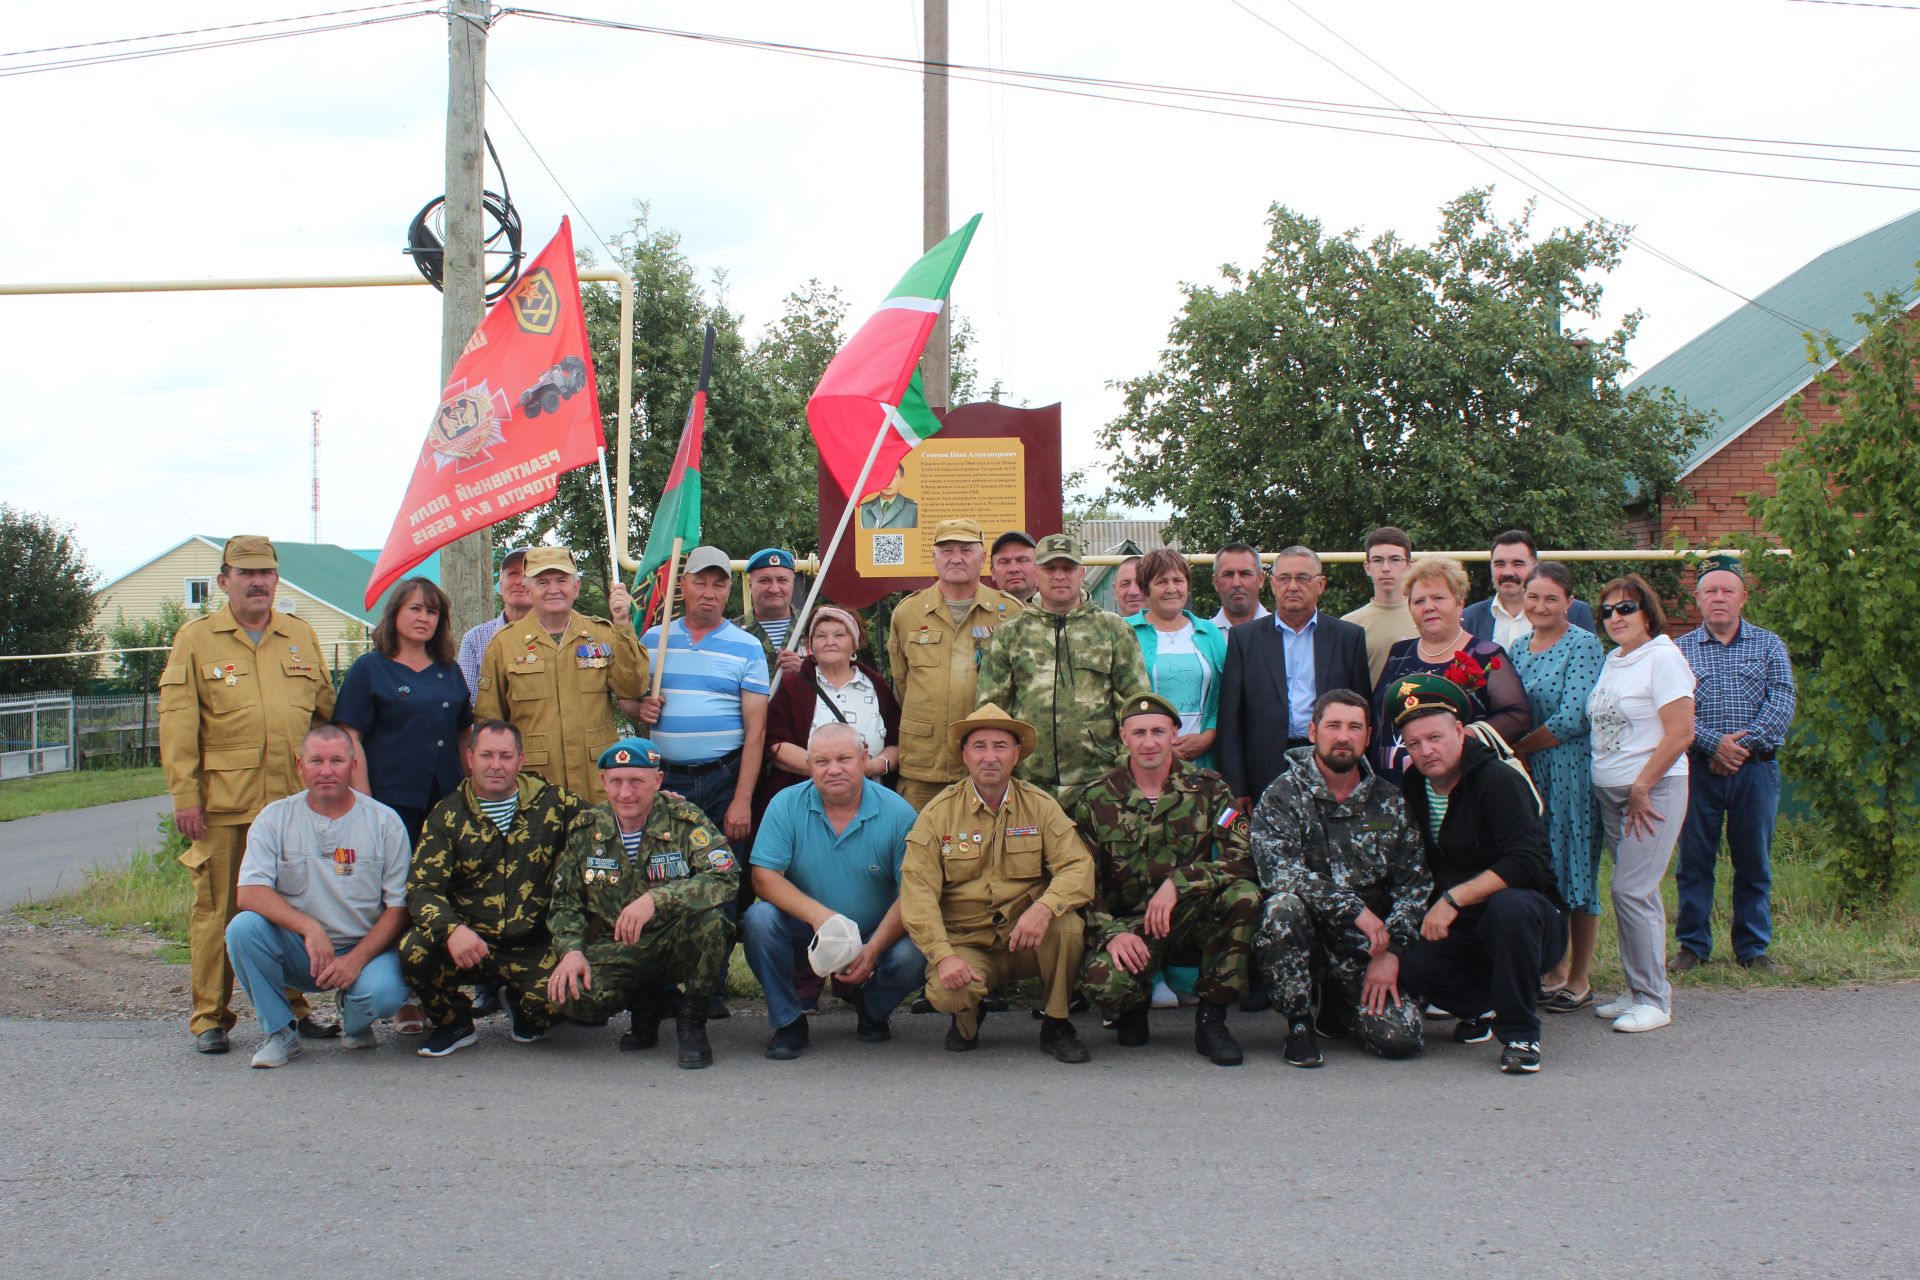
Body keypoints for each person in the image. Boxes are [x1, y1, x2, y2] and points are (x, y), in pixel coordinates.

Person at [159, 534, 335, 1054]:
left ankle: (294, 1010)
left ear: (277, 580)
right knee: (220, 912)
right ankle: (210, 1018)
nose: (258, 582)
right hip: (223, 804)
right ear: (223, 582)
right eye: (245, 573)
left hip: (290, 805)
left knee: (293, 905)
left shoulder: (300, 636)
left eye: (266, 573)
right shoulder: (196, 639)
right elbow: (177, 726)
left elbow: (326, 715)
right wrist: (185, 796)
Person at [1072, 694, 1260, 1066]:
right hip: (1131, 925)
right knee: (1102, 982)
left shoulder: (1209, 788)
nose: (1149, 742)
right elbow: (1081, 881)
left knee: (1245, 896)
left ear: (1175, 733)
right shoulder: (1096, 799)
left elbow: (1244, 857)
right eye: (1139, 732)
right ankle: (1133, 1003)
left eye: (1158, 731)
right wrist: (1113, 934)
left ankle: (1212, 1019)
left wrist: (1180, 882)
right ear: (1124, 737)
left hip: (1189, 918)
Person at [1393, 675, 1568, 1075]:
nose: (1426, 750)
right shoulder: (1413, 785)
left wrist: (1452, 899)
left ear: (1459, 730)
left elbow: (1527, 863)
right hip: (1464, 925)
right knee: (1411, 963)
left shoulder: (1498, 781)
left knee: (1510, 908)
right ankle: (1482, 1005)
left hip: (1531, 919)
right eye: (1414, 743)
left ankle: (1521, 1033)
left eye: (1435, 737)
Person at [899, 704, 1095, 1061]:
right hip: (967, 942)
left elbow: (1079, 867)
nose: (990, 757)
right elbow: (917, 894)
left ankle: (1057, 1022)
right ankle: (967, 1015)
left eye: (1001, 746)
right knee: (949, 992)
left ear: (1017, 754)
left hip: (1027, 940)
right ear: (964, 754)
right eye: (980, 746)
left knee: (1067, 927)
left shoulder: (1040, 805)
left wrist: (1045, 908)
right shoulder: (937, 813)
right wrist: (943, 956)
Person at [1251, 690, 1430, 1068]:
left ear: (1368, 736)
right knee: (1281, 907)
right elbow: (1278, 872)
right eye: (1333, 726)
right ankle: (1299, 1023)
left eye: (1354, 727)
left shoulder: (1389, 801)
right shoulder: (1282, 795)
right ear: (1314, 731)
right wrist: (1352, 908)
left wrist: (1392, 951)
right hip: (1308, 936)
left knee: (1400, 1040)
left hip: (1367, 946)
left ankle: (1336, 1004)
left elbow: (1414, 885)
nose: (1343, 736)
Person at [399, 720, 593, 1058]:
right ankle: (453, 1023)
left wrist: (659, 803)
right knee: (414, 949)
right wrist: (452, 929)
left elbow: (605, 824)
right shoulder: (447, 815)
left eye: (505, 756)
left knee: (574, 996)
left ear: (521, 760)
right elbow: (421, 888)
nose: (496, 765)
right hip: (469, 942)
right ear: (470, 757)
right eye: (487, 755)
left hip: (531, 941)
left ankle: (523, 1007)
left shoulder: (553, 802)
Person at [223, 726, 411, 1068]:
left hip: (364, 950)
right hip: (301, 950)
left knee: (385, 994)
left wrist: (355, 960)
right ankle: (280, 1032)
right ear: (300, 766)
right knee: (242, 929)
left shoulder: (385, 823)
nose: (326, 770)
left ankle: (354, 1021)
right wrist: (309, 928)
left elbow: (399, 909)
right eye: (317, 761)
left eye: (337, 760)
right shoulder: (275, 818)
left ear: (353, 766)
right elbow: (249, 892)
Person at [545, 738, 740, 1068]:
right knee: (570, 995)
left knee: (712, 923)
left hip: (675, 941)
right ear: (603, 782)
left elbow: (726, 877)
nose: (626, 793)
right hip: (620, 945)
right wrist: (571, 951)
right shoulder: (586, 830)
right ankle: (646, 1006)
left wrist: (657, 899)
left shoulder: (685, 820)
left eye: (637, 781)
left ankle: (691, 1022)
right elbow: (565, 904)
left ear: (658, 781)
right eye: (616, 781)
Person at [744, 723, 924, 1059]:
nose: (834, 769)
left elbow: (912, 894)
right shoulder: (785, 804)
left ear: (864, 758)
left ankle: (872, 1009)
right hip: (809, 931)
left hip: (875, 933)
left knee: (915, 950)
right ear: (809, 765)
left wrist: (871, 950)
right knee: (759, 918)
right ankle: (788, 1021)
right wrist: (822, 918)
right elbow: (763, 877)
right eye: (822, 761)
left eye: (844, 758)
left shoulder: (899, 813)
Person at [1674, 554, 1798, 972]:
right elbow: (1674, 711)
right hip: (1698, 770)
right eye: (1711, 591)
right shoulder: (1678, 651)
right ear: (1698, 599)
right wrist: (1714, 745)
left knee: (1754, 862)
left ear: (1744, 597)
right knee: (1694, 862)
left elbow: (1782, 701)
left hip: (1757, 771)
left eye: (1728, 590)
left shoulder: (1769, 644)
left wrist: (1740, 750)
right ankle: (1692, 946)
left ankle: (1752, 949)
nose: (1719, 598)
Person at [1588, 574, 1695, 1033]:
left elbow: (1681, 732)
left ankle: (1654, 998)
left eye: (1625, 608)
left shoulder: (1664, 658)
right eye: (1607, 611)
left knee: (1631, 890)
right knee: (1636, 893)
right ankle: (1636, 990)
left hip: (1651, 792)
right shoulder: (1616, 659)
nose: (1615, 618)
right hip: (1613, 793)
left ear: (1647, 613)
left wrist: (1643, 785)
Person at [976, 533, 1151, 797]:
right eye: (1049, 568)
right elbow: (992, 710)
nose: (1059, 575)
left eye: (1068, 567)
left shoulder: (1112, 629)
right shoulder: (1011, 632)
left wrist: (1125, 767)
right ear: (1036, 573)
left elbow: (1135, 705)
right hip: (1029, 783)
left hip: (1100, 782)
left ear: (1081, 573)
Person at [473, 546, 648, 804]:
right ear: (528, 589)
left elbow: (632, 688)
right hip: (534, 789)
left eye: (562, 580)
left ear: (576, 588)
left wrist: (623, 625)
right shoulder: (504, 644)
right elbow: (490, 723)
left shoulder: (604, 634)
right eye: (542, 582)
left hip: (597, 786)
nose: (553, 589)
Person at [1508, 562, 1606, 1012]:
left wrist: (1519, 745)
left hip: (1568, 771)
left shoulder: (1584, 644)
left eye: (1551, 598)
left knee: (1576, 871)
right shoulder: (1516, 646)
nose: (1540, 606)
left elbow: (1573, 717)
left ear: (1569, 602)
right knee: (1543, 869)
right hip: (1528, 774)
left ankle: (1579, 978)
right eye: (1533, 598)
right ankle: (1552, 970)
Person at [633, 546, 769, 842]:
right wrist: (639, 708)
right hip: (666, 779)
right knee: (668, 869)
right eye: (700, 582)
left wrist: (742, 801)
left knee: (725, 871)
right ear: (682, 585)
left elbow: (756, 732)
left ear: (728, 591)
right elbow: (628, 701)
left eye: (718, 584)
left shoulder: (748, 647)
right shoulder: (653, 640)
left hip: (724, 780)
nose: (709, 592)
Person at [1217, 546, 1370, 809]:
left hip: (1330, 762)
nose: (1293, 586)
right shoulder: (1245, 639)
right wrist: (1237, 786)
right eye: (1285, 578)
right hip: (1265, 767)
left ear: (1320, 584)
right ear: (1273, 584)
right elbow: (1231, 718)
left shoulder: (1348, 638)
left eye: (1303, 578)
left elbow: (1362, 711)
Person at [889, 519, 1023, 810]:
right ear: (934, 559)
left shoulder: (1010, 612)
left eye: (966, 550)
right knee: (920, 846)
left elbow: (1021, 684)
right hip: (924, 763)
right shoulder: (908, 613)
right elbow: (902, 682)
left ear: (982, 558)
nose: (956, 558)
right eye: (947, 550)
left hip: (988, 764)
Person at [1370, 556, 1532, 787]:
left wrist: (1460, 738)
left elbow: (1518, 716)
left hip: (1461, 784)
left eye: (1438, 598)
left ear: (1460, 602)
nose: (1428, 607)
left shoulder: (1485, 654)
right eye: (1419, 601)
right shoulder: (1399, 652)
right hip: (1394, 785)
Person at [334, 576, 472, 847]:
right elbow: (349, 737)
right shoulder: (369, 668)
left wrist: (472, 795)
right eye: (415, 608)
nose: (424, 618)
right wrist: (365, 803)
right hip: (389, 802)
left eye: (432, 612)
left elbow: (464, 735)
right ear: (395, 611)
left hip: (446, 800)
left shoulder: (449, 670)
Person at [760, 605, 900, 806]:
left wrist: (871, 767)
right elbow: (775, 744)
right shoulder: (794, 687)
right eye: (821, 636)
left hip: (870, 798)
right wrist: (832, 772)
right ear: (811, 644)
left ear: (854, 643)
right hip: (807, 801)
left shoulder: (876, 685)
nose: (830, 642)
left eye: (839, 635)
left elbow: (897, 743)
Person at [1124, 548, 1228, 773]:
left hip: (1203, 763)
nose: (1171, 589)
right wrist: (1159, 744)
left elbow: (1227, 695)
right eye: (1161, 582)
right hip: (1145, 760)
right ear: (1145, 589)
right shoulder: (1125, 631)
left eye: (1178, 580)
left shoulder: (1210, 633)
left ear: (1187, 586)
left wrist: (1209, 735)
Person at [1463, 529, 1597, 649]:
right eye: (1499, 564)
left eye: (1518, 564)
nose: (1507, 572)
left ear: (1535, 567)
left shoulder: (1575, 612)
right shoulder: (1469, 617)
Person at [1341, 526, 1420, 687]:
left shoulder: (1426, 616)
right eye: (1377, 560)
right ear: (1367, 567)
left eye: (1395, 559)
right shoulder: (1348, 625)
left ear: (1409, 566)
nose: (1386, 568)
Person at [456, 546, 531, 708]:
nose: (520, 581)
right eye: (513, 573)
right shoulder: (474, 639)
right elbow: (468, 705)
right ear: (500, 586)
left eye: (528, 574)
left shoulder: (556, 634)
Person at [737, 547, 805, 679]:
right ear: (750, 584)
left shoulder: (814, 629)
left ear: (793, 583)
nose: (774, 589)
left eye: (782, 580)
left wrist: (806, 670)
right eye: (764, 581)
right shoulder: (732, 633)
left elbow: (838, 677)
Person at [1209, 542, 1269, 629]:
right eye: (1228, 574)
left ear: (1260, 579)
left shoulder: (1282, 632)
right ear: (1216, 582)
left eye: (1245, 574)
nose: (1236, 583)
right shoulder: (1202, 637)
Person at [858, 462, 919, 529]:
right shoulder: (862, 510)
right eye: (883, 476)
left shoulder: (914, 509)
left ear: (902, 479)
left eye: (892, 476)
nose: (888, 482)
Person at [989, 530, 1038, 605]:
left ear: (1038, 568)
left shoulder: (1058, 613)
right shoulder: (979, 616)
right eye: (1004, 562)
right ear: (993, 572)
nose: (1013, 569)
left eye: (1022, 560)